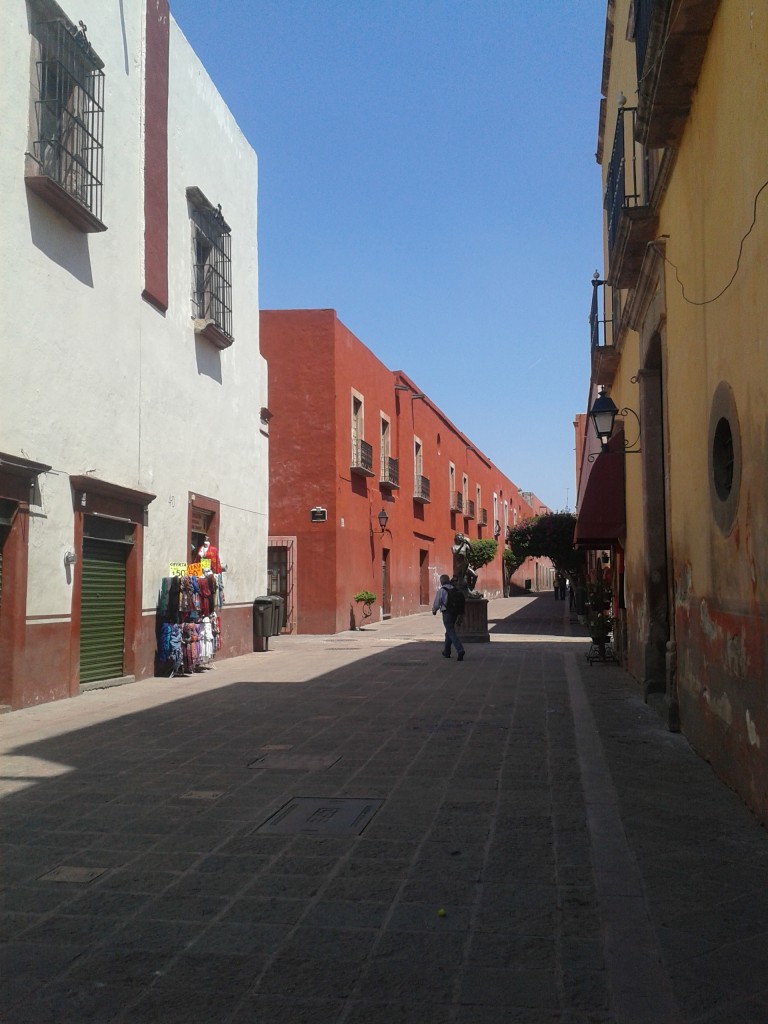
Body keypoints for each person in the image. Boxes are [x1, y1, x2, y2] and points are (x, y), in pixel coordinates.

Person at [432, 574, 465, 661]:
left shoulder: (442, 590)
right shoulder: (454, 589)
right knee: (449, 632)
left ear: (442, 581)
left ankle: (460, 649)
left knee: (451, 631)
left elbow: (437, 603)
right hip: (455, 613)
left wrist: (434, 610)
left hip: (447, 613)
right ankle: (447, 652)